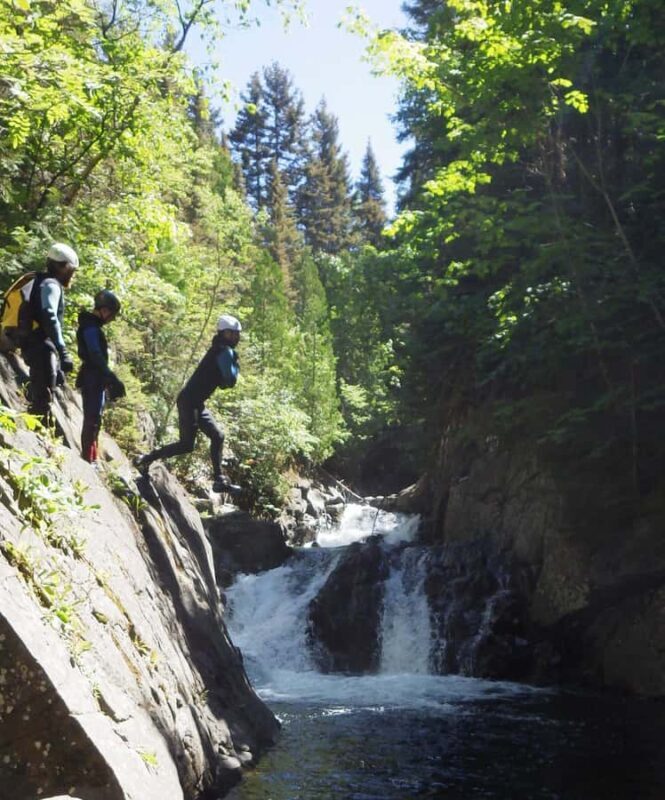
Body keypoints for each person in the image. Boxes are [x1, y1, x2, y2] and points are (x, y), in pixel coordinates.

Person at [134, 314, 242, 493]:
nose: (236, 337)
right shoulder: (225, 352)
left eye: (237, 334)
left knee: (217, 436)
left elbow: (223, 382)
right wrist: (236, 365)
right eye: (233, 334)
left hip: (195, 402)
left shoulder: (219, 349)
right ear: (224, 333)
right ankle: (146, 459)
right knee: (187, 444)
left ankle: (219, 480)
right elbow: (230, 381)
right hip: (190, 401)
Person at [21, 242, 79, 426]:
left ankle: (38, 428)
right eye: (72, 270)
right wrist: (63, 351)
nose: (72, 275)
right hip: (41, 346)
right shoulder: (51, 285)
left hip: (34, 344)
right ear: (63, 267)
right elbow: (49, 315)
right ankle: (37, 432)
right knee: (43, 395)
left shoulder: (40, 281)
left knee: (42, 389)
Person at [76, 289, 125, 465]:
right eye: (112, 314)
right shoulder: (90, 327)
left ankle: (91, 457)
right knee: (92, 418)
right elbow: (95, 353)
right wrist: (110, 376)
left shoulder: (92, 326)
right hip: (92, 377)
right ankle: (88, 459)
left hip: (95, 377)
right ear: (104, 310)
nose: (112, 319)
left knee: (95, 418)